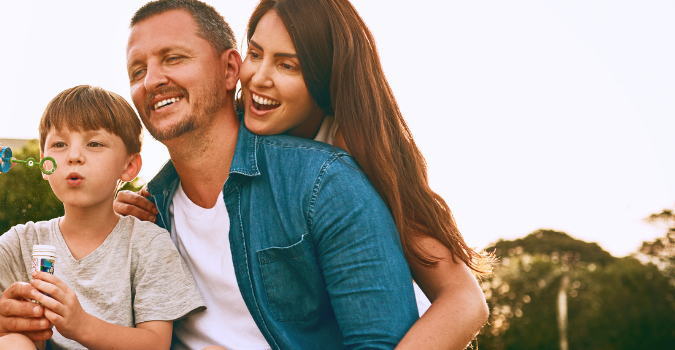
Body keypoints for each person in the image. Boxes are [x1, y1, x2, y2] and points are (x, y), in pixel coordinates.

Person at [0, 1, 420, 349]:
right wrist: (30, 322)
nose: (153, 80)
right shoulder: (144, 215)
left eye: (173, 58)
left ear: (230, 69)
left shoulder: (322, 182)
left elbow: (380, 341)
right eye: (137, 71)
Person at [121, 0, 493, 348]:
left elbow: (464, 299)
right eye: (256, 54)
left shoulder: (343, 162)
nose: (259, 79)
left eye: (288, 65)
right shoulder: (163, 196)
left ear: (321, 80)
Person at [0, 85, 205, 350]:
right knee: (8, 344)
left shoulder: (147, 243)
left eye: (94, 143)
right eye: (59, 144)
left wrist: (82, 326)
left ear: (129, 166)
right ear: (45, 164)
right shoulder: (27, 240)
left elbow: (156, 343)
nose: (74, 156)